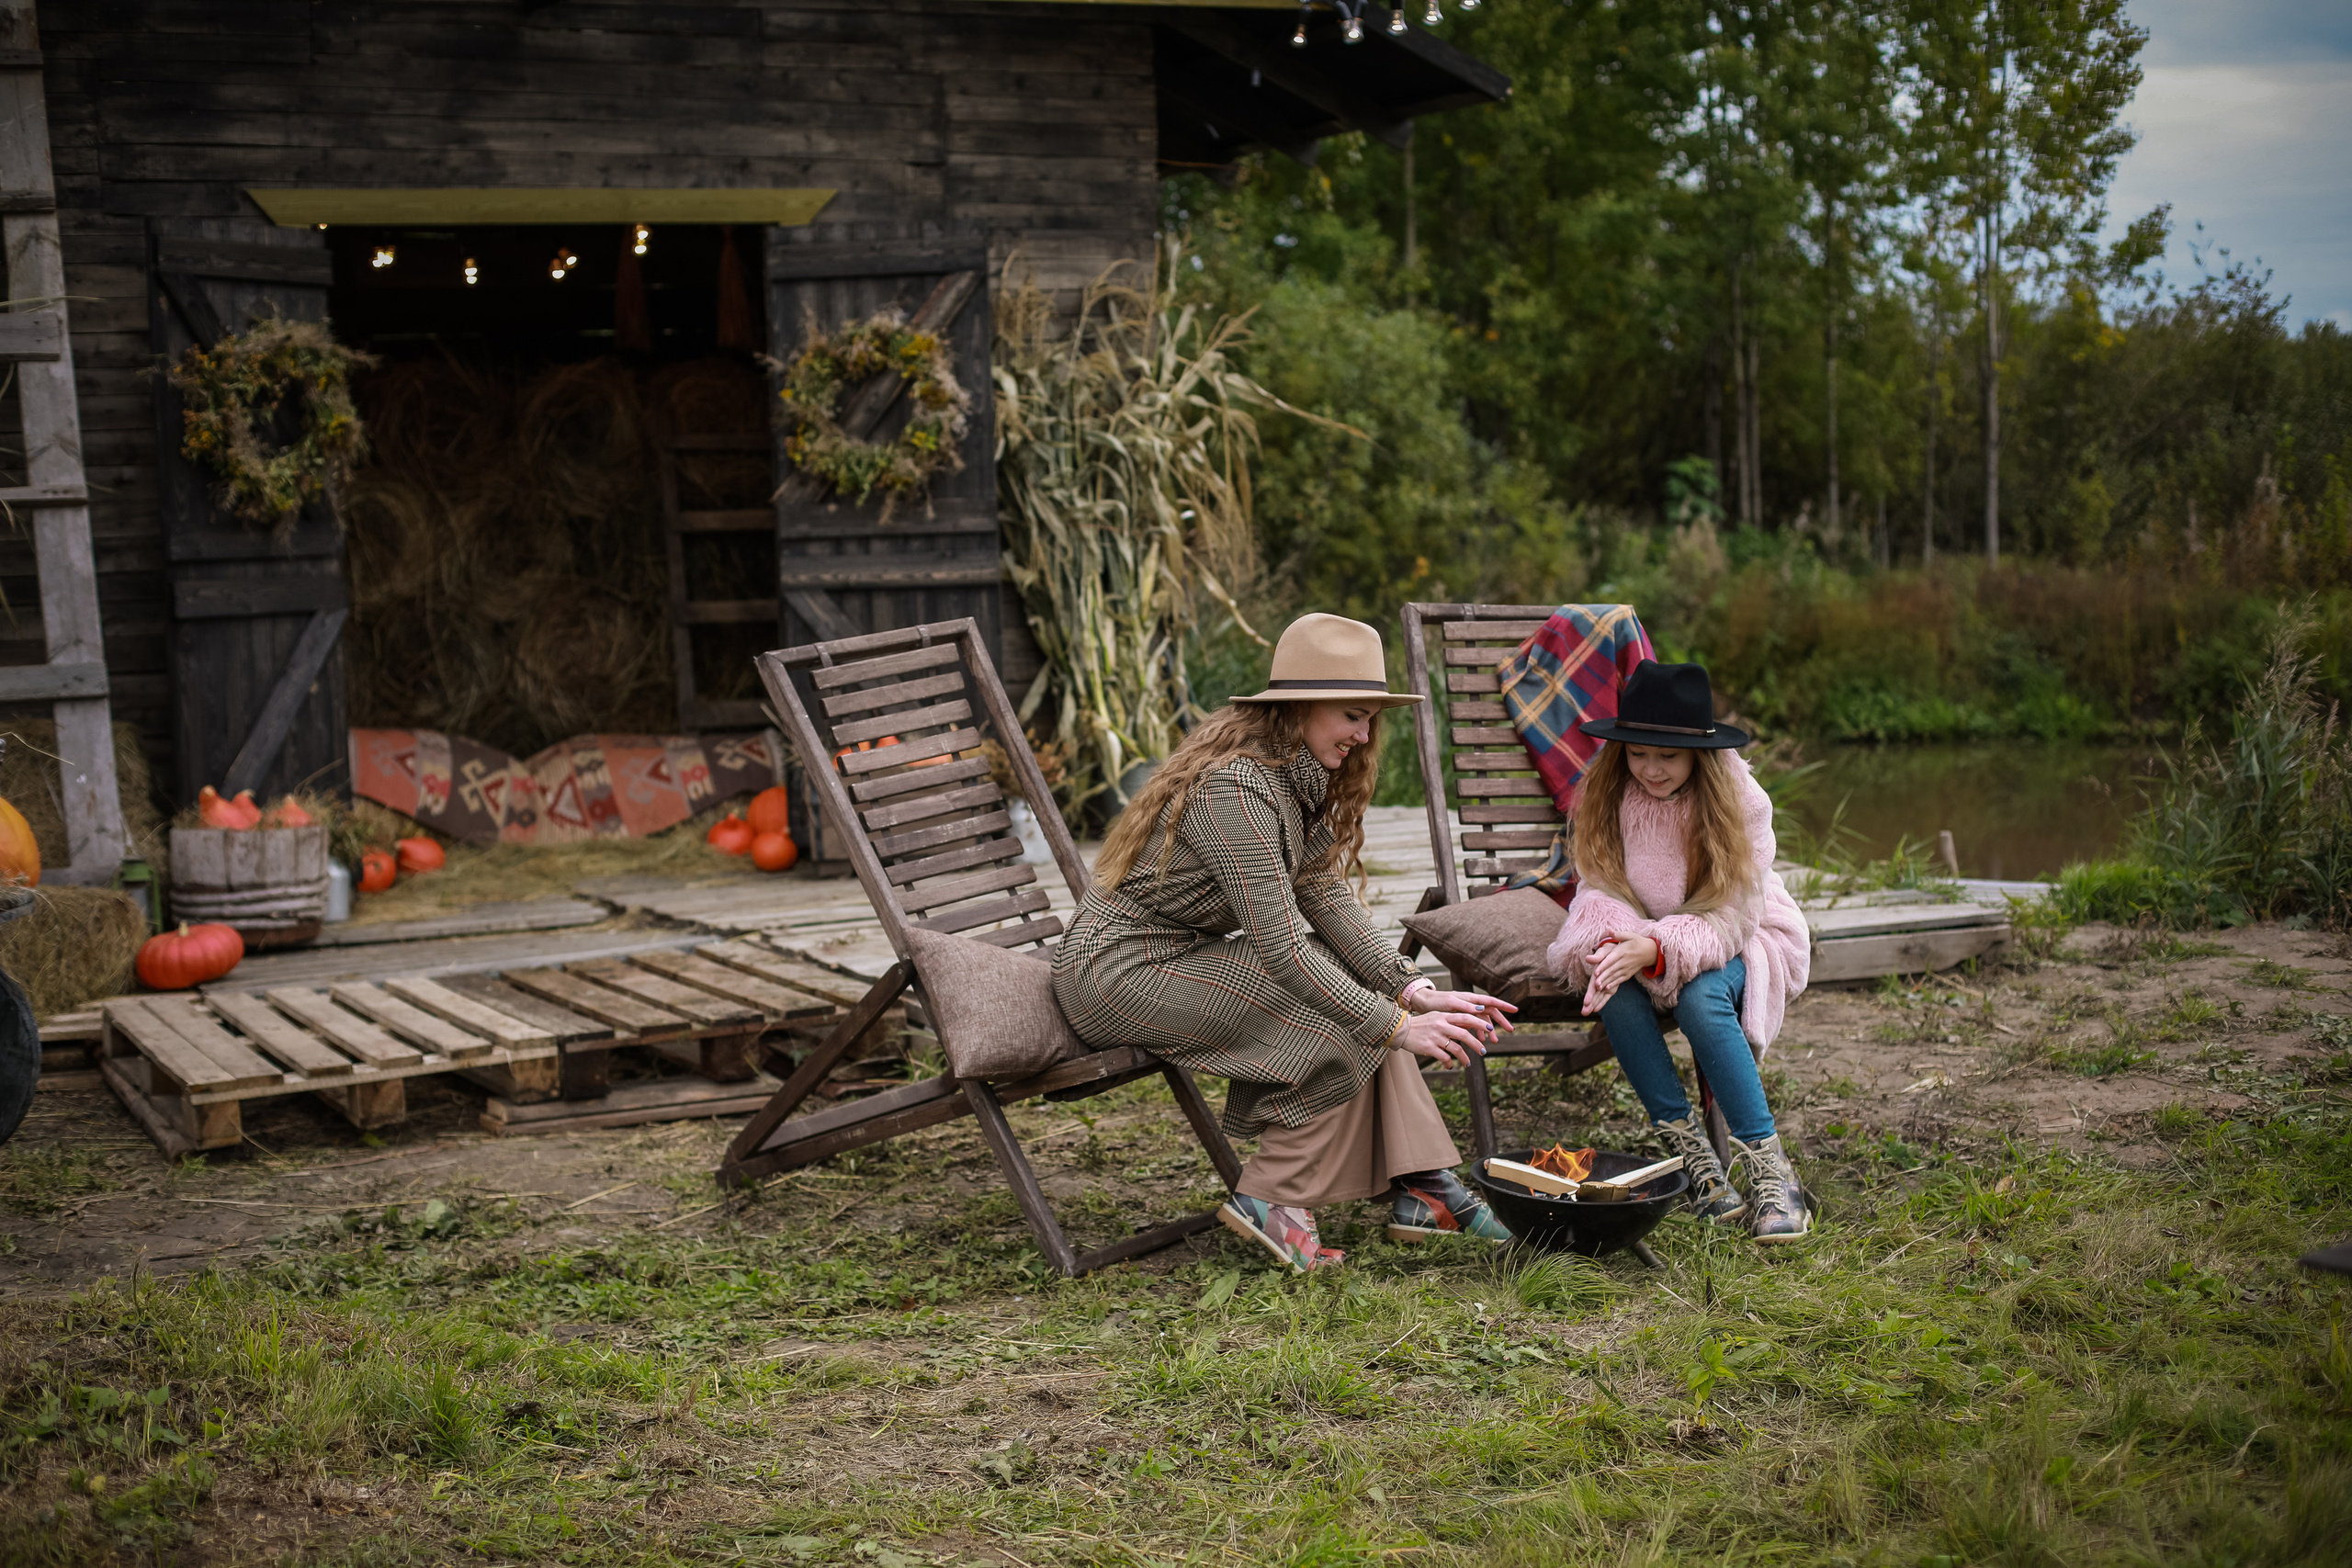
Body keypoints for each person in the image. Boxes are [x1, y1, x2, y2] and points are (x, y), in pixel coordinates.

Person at [1052, 614, 1519, 1270]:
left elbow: (1322, 894)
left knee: (1357, 1003)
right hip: (1118, 970)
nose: (1363, 736)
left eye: (1368, 721)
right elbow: (1282, 950)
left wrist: (1407, 987)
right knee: (1343, 1022)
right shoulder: (1237, 789)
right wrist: (1395, 1024)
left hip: (1174, 955)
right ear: (1300, 707)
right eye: (1352, 716)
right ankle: (1272, 1197)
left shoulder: (1290, 778)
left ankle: (1424, 1187)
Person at [1546, 660, 1815, 1243]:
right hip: (1641, 933)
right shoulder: (1609, 790)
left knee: (1697, 998)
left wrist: (1660, 945)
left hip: (1742, 933)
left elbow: (1736, 911)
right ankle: (1696, 1163)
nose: (1650, 769)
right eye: (1638, 753)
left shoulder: (1739, 801)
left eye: (1666, 756)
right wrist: (1623, 944)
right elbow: (1597, 886)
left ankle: (1773, 1173)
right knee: (1611, 987)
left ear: (1699, 752)